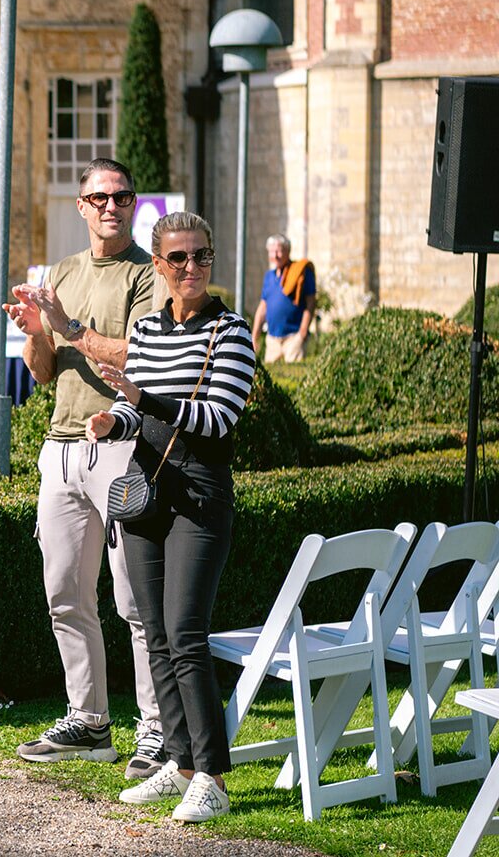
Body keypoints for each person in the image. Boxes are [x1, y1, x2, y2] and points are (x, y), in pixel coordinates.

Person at [86, 211, 255, 823]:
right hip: (147, 492)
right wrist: (114, 421)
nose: (191, 268)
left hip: (200, 495)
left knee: (186, 633)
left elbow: (217, 420)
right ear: (158, 265)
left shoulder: (231, 332)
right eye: (178, 258)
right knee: (155, 634)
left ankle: (212, 774)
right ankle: (178, 762)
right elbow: (142, 417)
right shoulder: (150, 332)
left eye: (202, 256)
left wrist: (140, 400)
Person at [1, 157, 164, 778]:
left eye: (121, 197)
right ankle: (90, 721)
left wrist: (67, 325)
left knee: (134, 598)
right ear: (81, 205)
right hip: (62, 448)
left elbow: (142, 354)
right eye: (99, 198)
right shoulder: (62, 272)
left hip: (124, 445)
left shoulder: (147, 275)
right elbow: (43, 371)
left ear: (133, 204)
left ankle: (154, 730)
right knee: (65, 593)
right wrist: (35, 332)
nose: (110, 208)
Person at [250, 234, 315, 364]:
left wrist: (302, 332)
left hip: (293, 338)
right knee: (271, 378)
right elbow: (263, 307)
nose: (276, 255)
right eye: (272, 251)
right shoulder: (269, 276)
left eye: (279, 251)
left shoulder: (301, 272)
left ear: (288, 251)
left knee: (295, 376)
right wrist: (254, 335)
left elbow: (311, 303)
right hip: (272, 339)